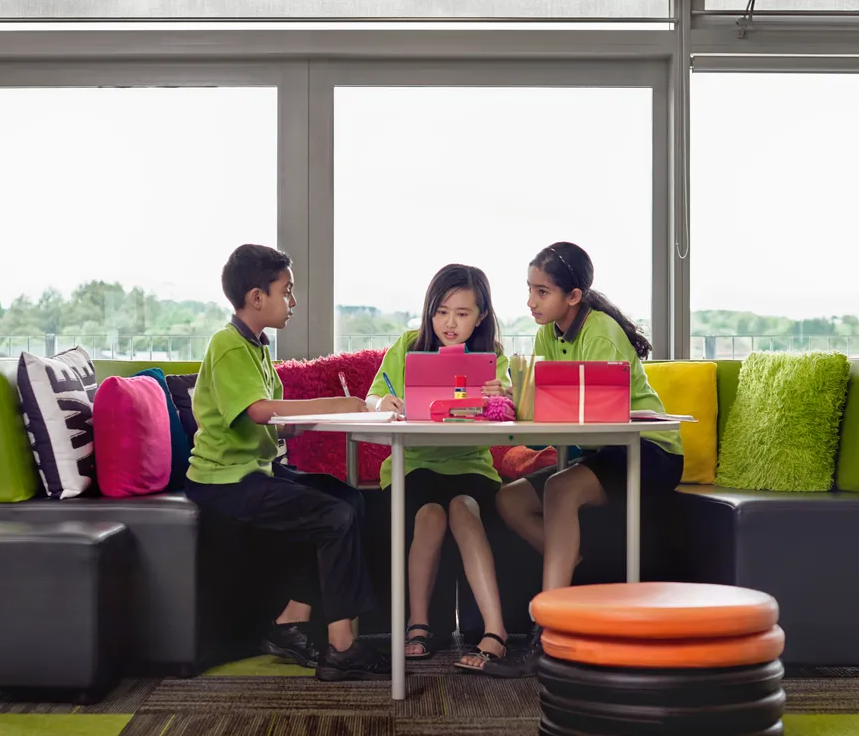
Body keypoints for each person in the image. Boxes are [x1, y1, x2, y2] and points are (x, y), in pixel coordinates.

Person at [185, 244, 393, 680]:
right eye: (287, 291)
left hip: (255, 471)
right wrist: (337, 403)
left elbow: (265, 422)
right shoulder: (228, 345)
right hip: (224, 482)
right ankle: (341, 647)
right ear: (256, 297)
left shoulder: (256, 347)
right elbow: (260, 411)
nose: (293, 301)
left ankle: (291, 619)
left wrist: (295, 426)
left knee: (349, 499)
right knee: (334, 515)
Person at [488, 241, 685, 676]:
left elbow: (597, 415)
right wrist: (514, 397)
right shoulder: (546, 333)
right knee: (509, 499)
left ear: (573, 296)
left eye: (542, 292)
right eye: (529, 289)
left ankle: (549, 633)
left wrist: (534, 404)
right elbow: (547, 407)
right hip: (602, 452)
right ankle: (572, 563)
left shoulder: (600, 333)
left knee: (560, 488)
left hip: (648, 450)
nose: (531, 301)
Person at [366, 264, 515, 675]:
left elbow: (509, 411)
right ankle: (418, 624)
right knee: (429, 514)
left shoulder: (493, 358)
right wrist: (383, 403)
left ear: (481, 317)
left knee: (464, 508)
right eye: (441, 312)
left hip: (471, 466)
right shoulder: (407, 346)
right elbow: (373, 397)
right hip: (413, 464)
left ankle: (496, 631)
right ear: (429, 311)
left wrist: (503, 397)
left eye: (462, 314)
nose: (450, 323)